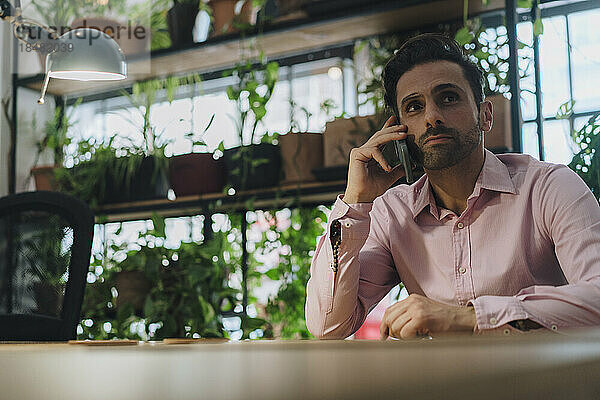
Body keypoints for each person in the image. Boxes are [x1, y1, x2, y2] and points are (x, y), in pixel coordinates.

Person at [305, 33, 600, 340]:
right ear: (399, 132)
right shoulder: (392, 213)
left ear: (485, 116)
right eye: (414, 107)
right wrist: (355, 202)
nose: (432, 117)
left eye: (448, 97)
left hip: (544, 384)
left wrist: (469, 317)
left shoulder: (548, 188)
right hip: (442, 387)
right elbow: (328, 325)